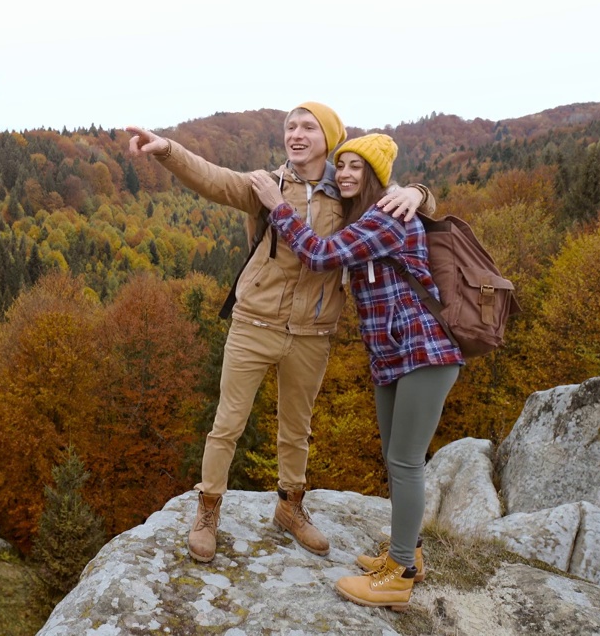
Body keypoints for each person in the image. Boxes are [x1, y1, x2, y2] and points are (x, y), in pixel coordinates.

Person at [127, 103, 435, 563]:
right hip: (255, 323)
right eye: (290, 126)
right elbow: (214, 179)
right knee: (227, 424)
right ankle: (208, 510)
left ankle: (290, 508)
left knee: (296, 429)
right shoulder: (266, 185)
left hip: (312, 331)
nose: (296, 133)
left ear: (328, 138)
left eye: (308, 127)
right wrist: (167, 150)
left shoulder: (349, 189)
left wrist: (419, 192)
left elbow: (399, 198)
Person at [248, 132, 463, 611]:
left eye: (355, 168)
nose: (344, 174)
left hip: (425, 351)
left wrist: (274, 205)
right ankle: (411, 553)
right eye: (340, 165)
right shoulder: (373, 212)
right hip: (393, 356)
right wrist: (421, 190)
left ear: (375, 175)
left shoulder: (386, 215)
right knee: (395, 457)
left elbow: (320, 254)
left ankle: (400, 574)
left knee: (406, 461)